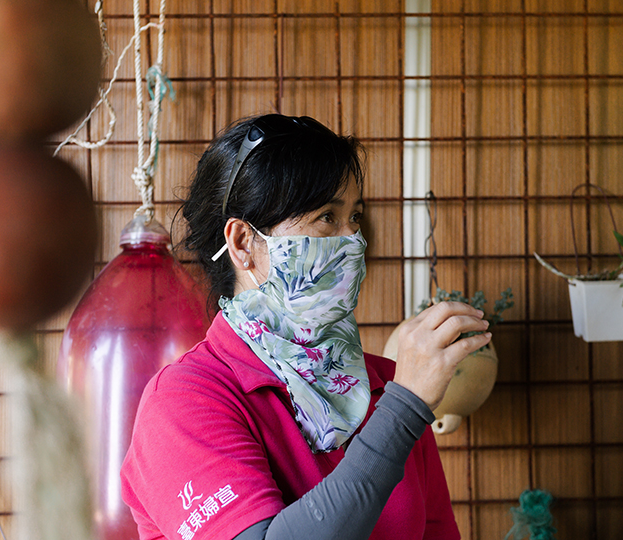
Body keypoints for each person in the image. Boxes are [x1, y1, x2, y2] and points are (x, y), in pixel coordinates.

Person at [120, 114, 492, 540]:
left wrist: (402, 400)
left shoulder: (386, 383)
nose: (352, 239)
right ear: (244, 243)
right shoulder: (186, 400)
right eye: (326, 217)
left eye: (355, 217)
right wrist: (403, 410)